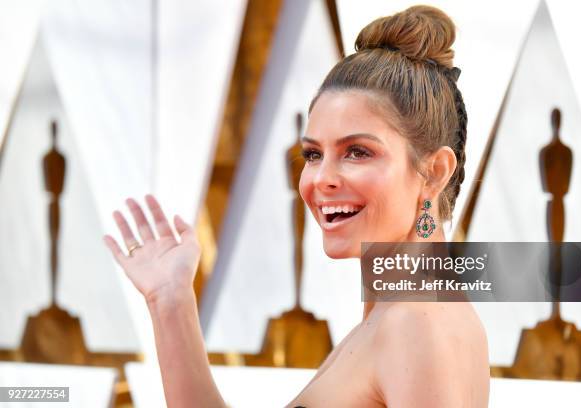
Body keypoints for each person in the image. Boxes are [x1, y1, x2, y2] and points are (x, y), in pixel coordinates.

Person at [103, 5, 489, 407]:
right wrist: (170, 300)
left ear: (434, 171)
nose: (321, 178)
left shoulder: (415, 324)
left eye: (357, 152)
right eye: (313, 154)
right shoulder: (394, 316)